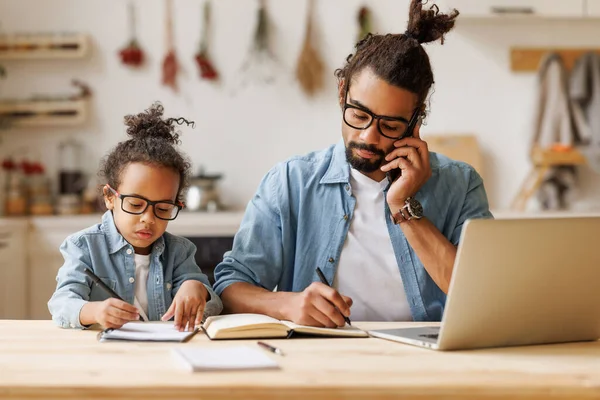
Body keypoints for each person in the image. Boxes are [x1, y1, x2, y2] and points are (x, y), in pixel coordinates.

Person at [214, 0, 493, 327]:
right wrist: (286, 305)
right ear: (342, 92)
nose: (368, 136)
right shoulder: (291, 181)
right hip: (320, 358)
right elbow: (229, 287)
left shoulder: (459, 185)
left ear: (416, 122)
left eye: (389, 125)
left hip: (425, 361)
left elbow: (482, 297)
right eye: (358, 115)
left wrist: (403, 206)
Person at [48, 103, 222, 331]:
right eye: (136, 204)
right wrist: (95, 311)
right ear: (110, 197)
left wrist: (196, 288)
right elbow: (62, 304)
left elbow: (215, 304)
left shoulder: (180, 252)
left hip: (164, 353)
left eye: (162, 208)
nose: (148, 218)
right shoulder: (84, 247)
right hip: (106, 356)